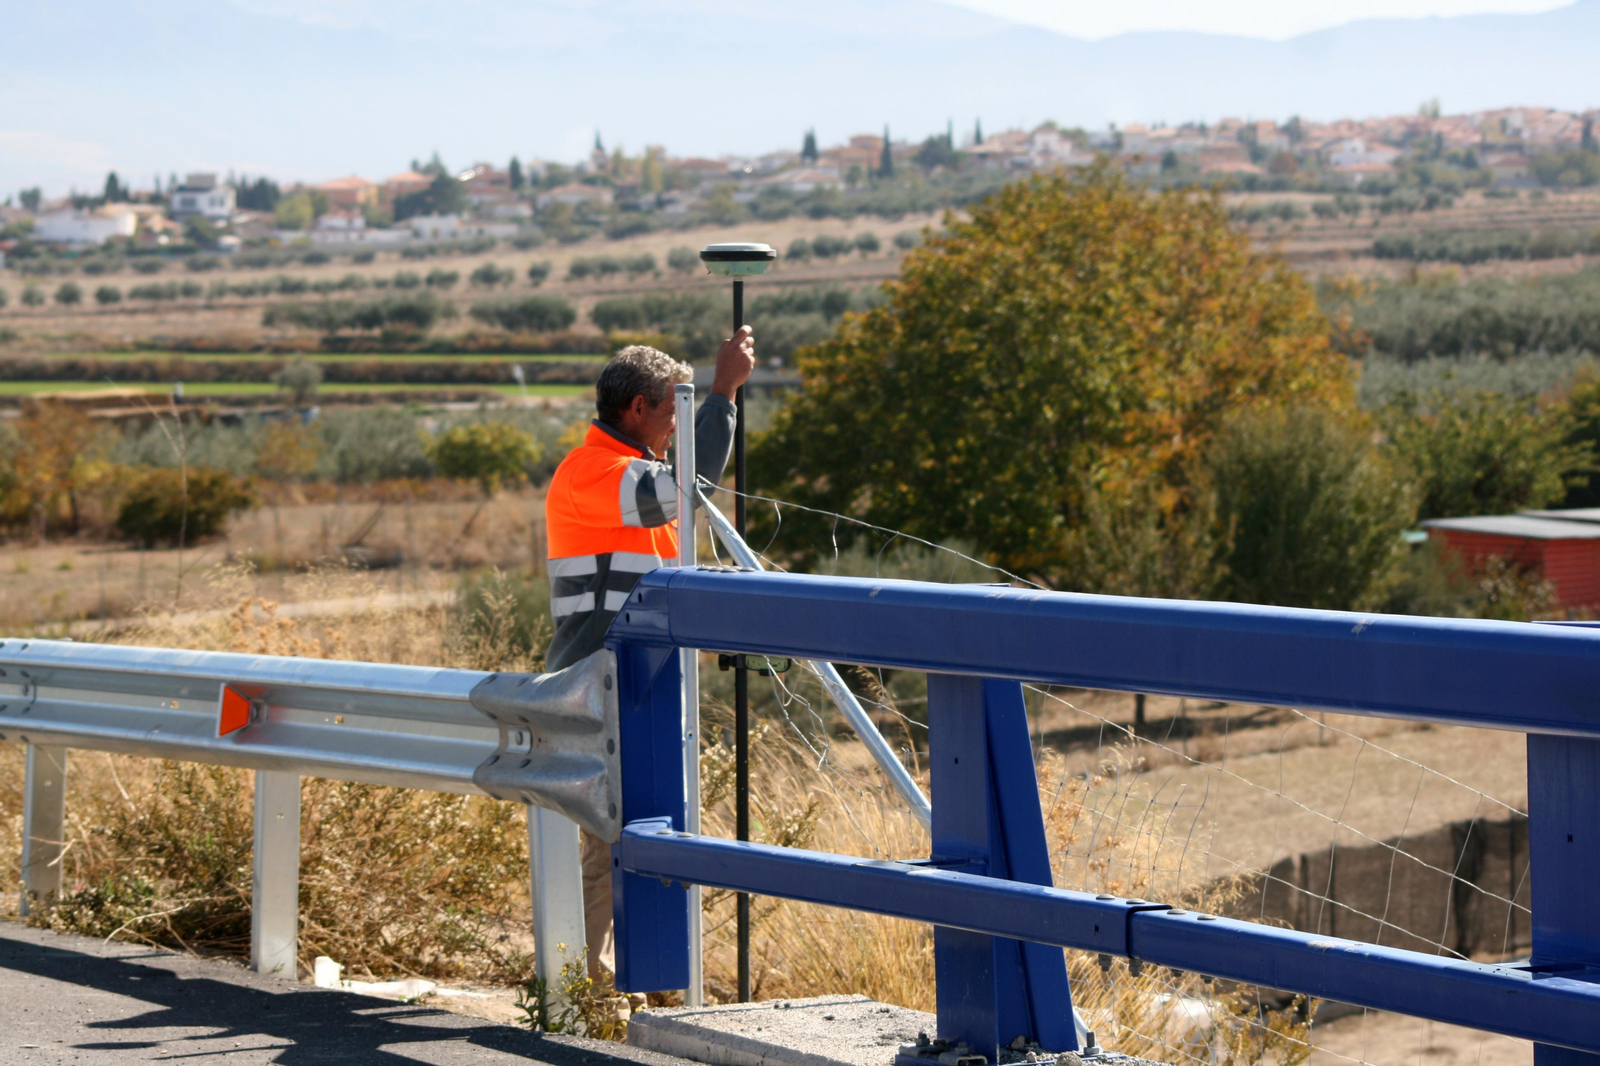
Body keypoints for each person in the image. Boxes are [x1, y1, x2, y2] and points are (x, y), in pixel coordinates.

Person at [543, 327, 755, 980]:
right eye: (674, 410)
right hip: (598, 684)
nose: (676, 426)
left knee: (632, 833)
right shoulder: (593, 474)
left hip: (636, 682)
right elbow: (683, 490)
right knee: (607, 840)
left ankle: (632, 978)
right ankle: (586, 983)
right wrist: (722, 395)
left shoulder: (621, 471)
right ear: (638, 409)